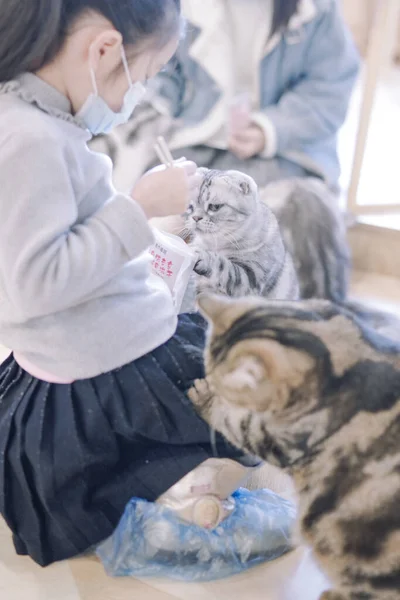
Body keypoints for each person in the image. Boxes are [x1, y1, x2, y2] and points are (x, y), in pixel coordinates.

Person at [0, 0, 291, 568]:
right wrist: (140, 207)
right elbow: (35, 284)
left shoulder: (33, 115)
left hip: (80, 355)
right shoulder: (30, 141)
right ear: (105, 50)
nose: (134, 99)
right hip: (102, 373)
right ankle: (178, 497)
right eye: (144, 78)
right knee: (258, 417)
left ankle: (171, 487)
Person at [101, 0, 359, 194]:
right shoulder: (185, 6)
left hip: (284, 149)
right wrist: (156, 106)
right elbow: (165, 69)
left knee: (258, 214)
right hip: (195, 133)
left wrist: (269, 129)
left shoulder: (317, 10)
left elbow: (329, 88)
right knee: (165, 197)